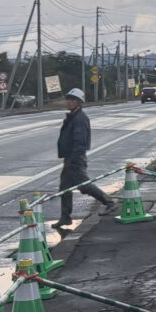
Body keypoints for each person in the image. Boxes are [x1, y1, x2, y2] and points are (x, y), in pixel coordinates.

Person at [55, 87, 115, 229]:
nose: (69, 102)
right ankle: (65, 217)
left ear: (79, 102)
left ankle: (109, 202)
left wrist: (73, 158)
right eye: (68, 99)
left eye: (73, 100)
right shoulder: (72, 117)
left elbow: (80, 141)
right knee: (65, 187)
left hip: (75, 158)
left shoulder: (79, 119)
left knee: (84, 185)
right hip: (70, 157)